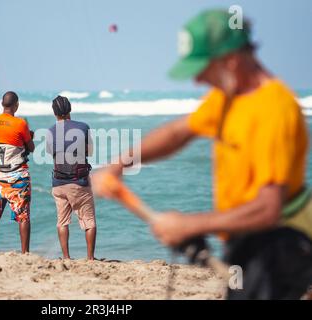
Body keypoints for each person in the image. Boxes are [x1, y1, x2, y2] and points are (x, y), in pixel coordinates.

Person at [93, 10, 312, 299]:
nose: (196, 80)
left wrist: (188, 225)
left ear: (231, 61)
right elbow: (179, 132)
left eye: (202, 69)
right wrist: (120, 162)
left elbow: (268, 208)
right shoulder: (227, 98)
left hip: (278, 247)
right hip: (244, 240)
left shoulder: (274, 109)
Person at [46, 96, 96, 260]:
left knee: (62, 222)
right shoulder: (83, 127)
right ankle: (90, 258)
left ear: (54, 113)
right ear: (70, 109)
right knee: (89, 221)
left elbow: (50, 153)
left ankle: (66, 257)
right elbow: (90, 152)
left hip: (58, 183)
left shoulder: (50, 131)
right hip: (78, 182)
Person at [0, 91, 35, 254]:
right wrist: (30, 137)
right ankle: (24, 253)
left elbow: (4, 141)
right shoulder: (20, 124)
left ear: (2, 104)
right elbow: (31, 148)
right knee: (23, 217)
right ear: (16, 105)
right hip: (17, 178)